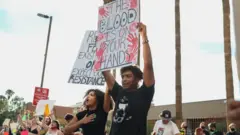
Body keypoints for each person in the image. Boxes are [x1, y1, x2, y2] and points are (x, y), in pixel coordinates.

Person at [102, 22, 155, 135]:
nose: (124, 79)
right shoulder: (119, 92)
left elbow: (148, 65)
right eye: (122, 76)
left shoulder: (145, 93)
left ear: (137, 79)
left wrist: (144, 36)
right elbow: (105, 71)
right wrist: (101, 43)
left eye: (128, 76)